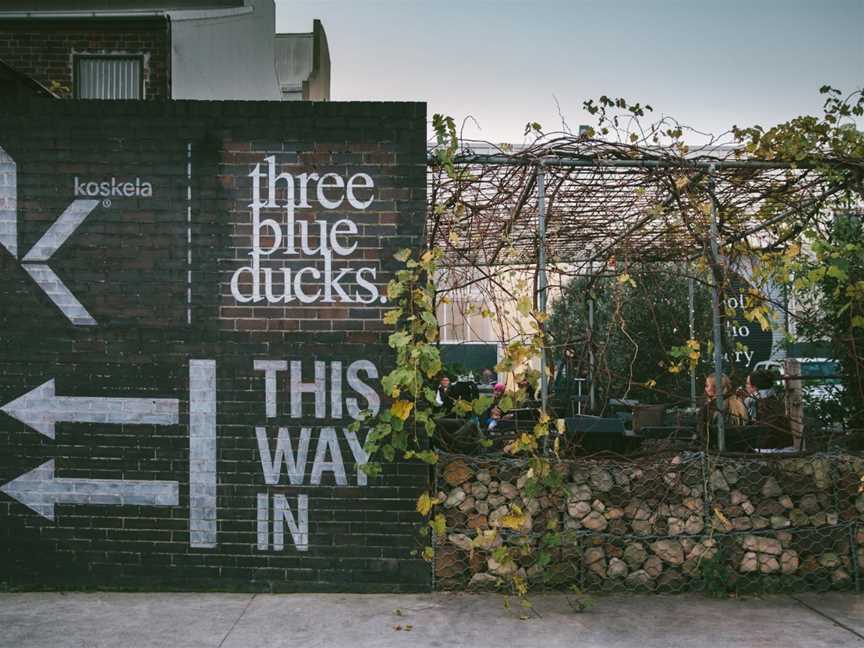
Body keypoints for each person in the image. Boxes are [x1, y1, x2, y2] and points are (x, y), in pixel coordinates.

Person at [745, 368, 791, 448]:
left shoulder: (759, 403)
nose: (746, 386)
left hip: (766, 445)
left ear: (754, 387)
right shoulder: (774, 400)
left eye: (748, 384)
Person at [699, 373, 748, 445]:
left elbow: (705, 436)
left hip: (718, 448)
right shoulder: (738, 403)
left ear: (715, 388)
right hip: (740, 446)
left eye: (707, 386)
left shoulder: (711, 408)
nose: (705, 389)